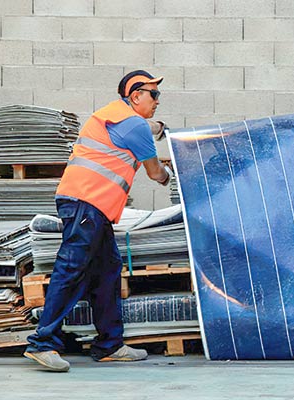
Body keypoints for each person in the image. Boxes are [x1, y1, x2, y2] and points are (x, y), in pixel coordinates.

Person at [24, 70, 172, 372]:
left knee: (107, 270)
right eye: (153, 94)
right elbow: (155, 173)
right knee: (71, 269)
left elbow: (148, 126)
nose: (158, 100)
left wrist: (158, 127)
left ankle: (109, 345)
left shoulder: (118, 116)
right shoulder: (133, 124)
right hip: (86, 205)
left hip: (92, 207)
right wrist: (173, 173)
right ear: (135, 96)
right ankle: (42, 343)